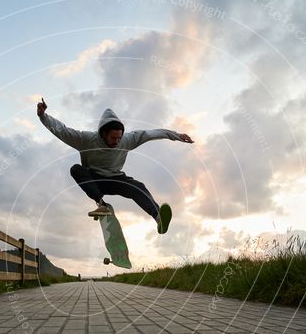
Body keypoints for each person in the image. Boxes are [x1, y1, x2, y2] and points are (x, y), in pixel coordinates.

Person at [36, 98, 193, 234]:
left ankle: (158, 217)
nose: (116, 141)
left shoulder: (127, 140)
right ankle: (102, 205)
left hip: (115, 178)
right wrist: (43, 116)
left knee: (138, 186)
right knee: (76, 169)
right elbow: (62, 131)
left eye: (119, 137)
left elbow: (151, 134)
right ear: (103, 133)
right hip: (94, 180)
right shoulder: (86, 139)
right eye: (113, 137)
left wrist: (177, 136)